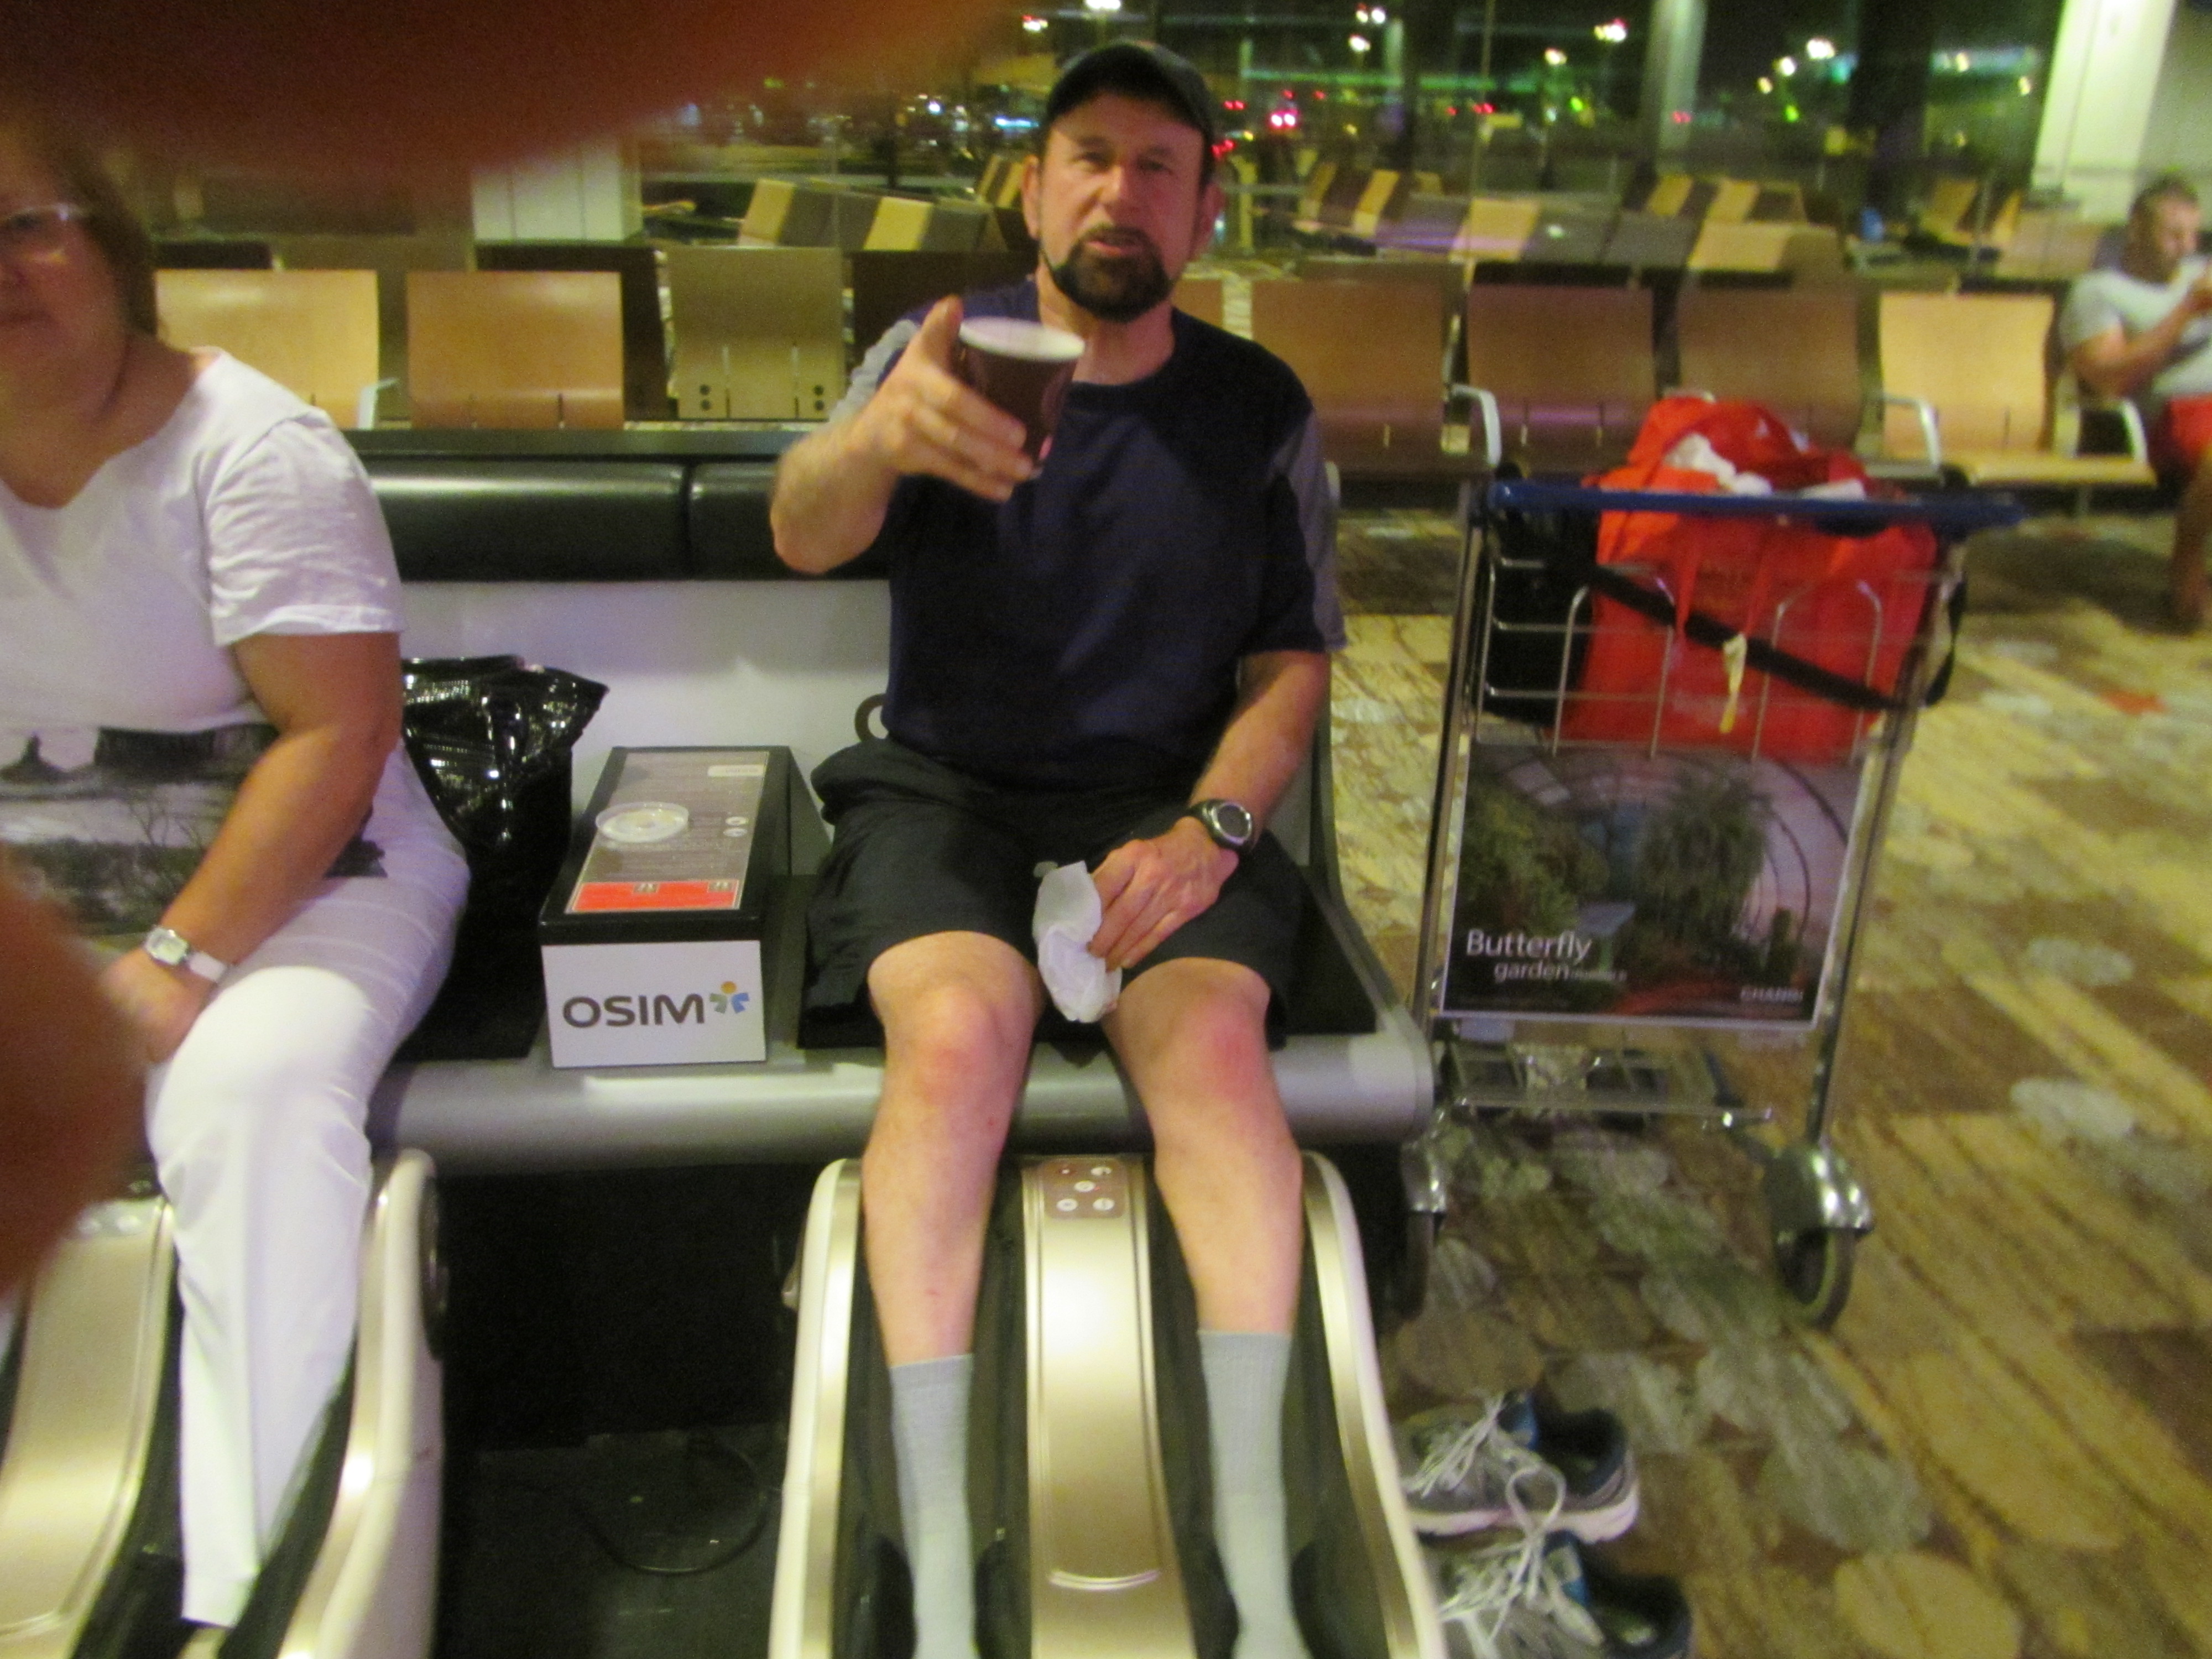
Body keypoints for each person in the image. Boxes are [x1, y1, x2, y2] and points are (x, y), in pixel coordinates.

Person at [770, 43, 1340, 1659]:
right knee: (955, 1037)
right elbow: (801, 528)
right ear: (1031, 188)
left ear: (1204, 211)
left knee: (1213, 1051)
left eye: (1159, 166)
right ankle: (941, 1579)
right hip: (944, 788)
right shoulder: (939, 354)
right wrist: (880, 437)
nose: (1118, 191)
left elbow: (1288, 670)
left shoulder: (1255, 409)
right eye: (1088, 156)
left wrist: (1212, 830)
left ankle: (1257, 1567)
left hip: (1161, 803)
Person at [0, 114, 467, 1629]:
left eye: (26, 227)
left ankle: (253, 1589)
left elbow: (336, 738)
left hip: (312, 884)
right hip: (46, 895)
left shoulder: (251, 451)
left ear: (111, 248)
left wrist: (171, 971)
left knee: (245, 1099)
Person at [2060, 173, 2212, 629]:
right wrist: (2187, 311)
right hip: (2176, 412)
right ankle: (2188, 557)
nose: (2186, 248)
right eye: (2173, 235)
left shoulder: (2199, 274)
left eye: (2193, 235)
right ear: (2137, 230)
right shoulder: (2098, 291)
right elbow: (2111, 380)